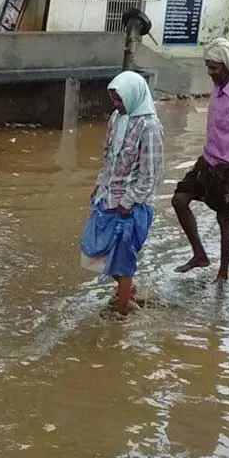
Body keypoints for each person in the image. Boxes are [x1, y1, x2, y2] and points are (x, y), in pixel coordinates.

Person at [172, 38, 229, 282]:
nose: (210, 72)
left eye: (214, 67)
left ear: (227, 66)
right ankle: (199, 255)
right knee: (179, 199)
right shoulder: (217, 88)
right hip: (208, 161)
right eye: (208, 66)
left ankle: (223, 272)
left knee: (224, 219)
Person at [81, 71, 165, 316]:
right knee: (95, 252)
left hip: (131, 206)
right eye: (114, 100)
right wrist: (100, 183)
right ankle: (127, 292)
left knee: (122, 260)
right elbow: (108, 155)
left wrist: (128, 202)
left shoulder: (150, 127)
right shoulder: (117, 119)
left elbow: (151, 174)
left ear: (133, 96)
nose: (117, 106)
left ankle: (121, 310)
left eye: (120, 101)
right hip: (108, 197)